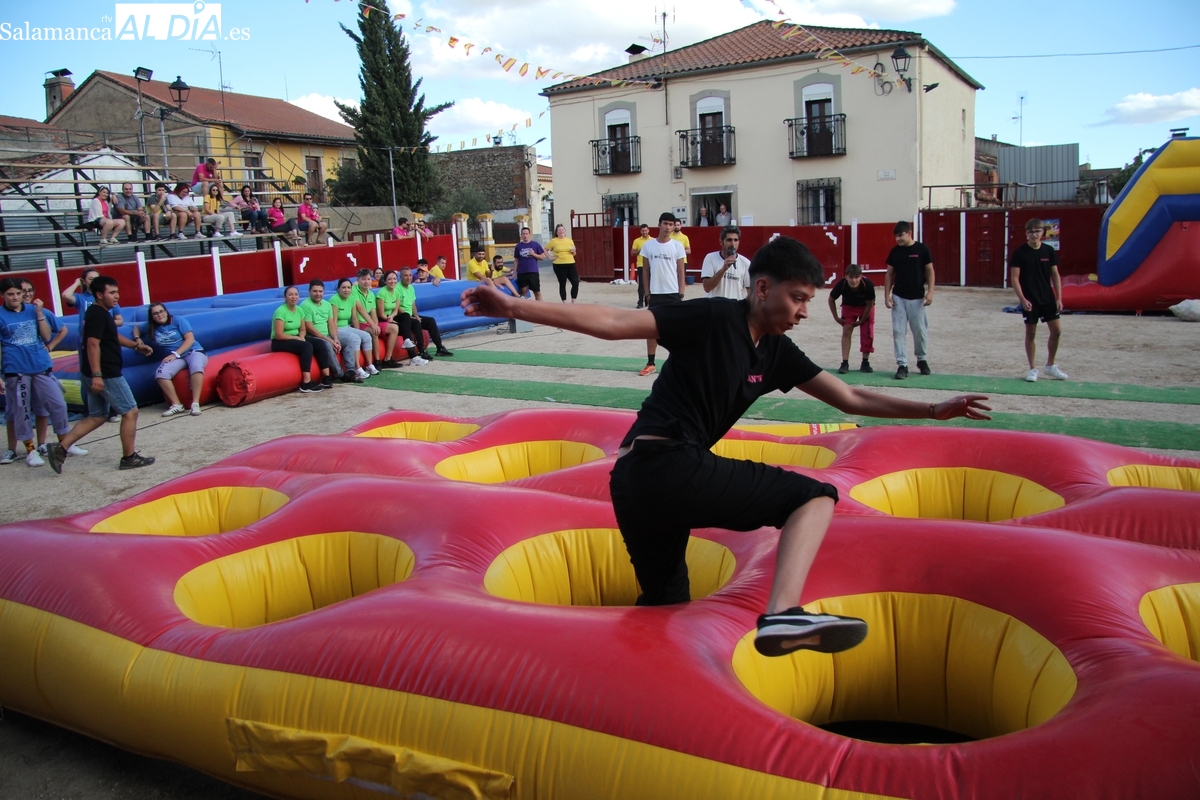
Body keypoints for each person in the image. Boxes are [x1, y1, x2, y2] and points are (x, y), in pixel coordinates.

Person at [461, 236, 991, 656]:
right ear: (762, 288)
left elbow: (850, 397)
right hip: (664, 464)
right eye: (797, 298)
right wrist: (513, 306)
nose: (804, 311)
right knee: (813, 498)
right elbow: (617, 321)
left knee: (665, 602)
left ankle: (643, 698)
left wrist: (932, 409)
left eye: (809, 300)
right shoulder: (714, 317)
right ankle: (783, 613)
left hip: (638, 483)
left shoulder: (777, 353)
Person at [46, 276, 156, 473]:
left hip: (96, 372)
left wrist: (135, 346)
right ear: (99, 294)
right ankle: (129, 457)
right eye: (112, 293)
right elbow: (92, 344)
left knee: (97, 416)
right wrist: (97, 375)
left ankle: (60, 448)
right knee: (130, 411)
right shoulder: (97, 314)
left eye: (117, 292)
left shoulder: (100, 313)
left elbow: (112, 335)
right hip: (106, 373)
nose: (117, 296)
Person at [0, 278, 86, 468]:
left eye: (18, 293)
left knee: (58, 404)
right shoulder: (1, 315)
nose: (15, 297)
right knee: (21, 410)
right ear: (3, 295)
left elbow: (47, 335)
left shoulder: (35, 310)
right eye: (10, 294)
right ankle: (30, 450)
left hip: (40, 366)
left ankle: (64, 441)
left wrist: (39, 314)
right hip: (16, 369)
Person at [62, 268, 123, 423]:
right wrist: (77, 283)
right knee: (89, 374)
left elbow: (120, 320)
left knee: (110, 375)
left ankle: (111, 411)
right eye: (90, 279)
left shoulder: (109, 299)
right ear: (84, 281)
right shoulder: (82, 299)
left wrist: (105, 323)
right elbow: (66, 296)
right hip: (87, 341)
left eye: (96, 278)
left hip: (105, 340)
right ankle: (92, 410)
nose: (94, 281)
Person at [1010, 218, 1068, 382]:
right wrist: (1022, 299)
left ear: (1042, 232)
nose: (1034, 235)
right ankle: (1033, 368)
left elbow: (1055, 275)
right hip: (1030, 299)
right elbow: (1014, 278)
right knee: (1031, 333)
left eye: (1037, 231)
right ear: (1026, 234)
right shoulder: (1020, 253)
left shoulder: (1048, 251)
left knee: (1057, 331)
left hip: (1047, 297)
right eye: (1030, 232)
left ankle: (1050, 365)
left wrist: (1059, 298)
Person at [133, 303, 207, 416]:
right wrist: (137, 339)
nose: (160, 315)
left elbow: (190, 339)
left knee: (196, 366)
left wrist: (175, 354)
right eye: (155, 313)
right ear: (152, 317)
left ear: (166, 312)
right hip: (176, 357)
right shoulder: (151, 326)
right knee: (160, 374)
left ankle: (195, 403)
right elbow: (136, 328)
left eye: (161, 311)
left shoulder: (178, 320)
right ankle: (177, 404)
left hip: (192, 351)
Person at [636, 212, 686, 376]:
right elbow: (645, 271)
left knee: (676, 330)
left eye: (671, 224)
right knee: (651, 329)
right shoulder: (648, 246)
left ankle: (678, 362)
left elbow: (681, 271)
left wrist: (681, 293)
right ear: (659, 225)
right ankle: (651, 363)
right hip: (655, 293)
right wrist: (647, 293)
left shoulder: (677, 246)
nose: (668, 227)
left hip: (673, 294)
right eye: (665, 223)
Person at [883, 220, 934, 380]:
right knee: (898, 331)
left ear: (909, 233)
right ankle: (902, 364)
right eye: (896, 236)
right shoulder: (895, 252)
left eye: (900, 235)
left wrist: (930, 292)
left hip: (917, 298)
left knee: (920, 331)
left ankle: (922, 359)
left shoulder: (922, 249)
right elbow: (889, 273)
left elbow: (929, 271)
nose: (898, 239)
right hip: (899, 297)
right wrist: (887, 295)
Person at [301, 279, 361, 385]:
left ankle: (351, 370)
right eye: (315, 291)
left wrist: (335, 338)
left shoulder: (327, 304)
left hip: (327, 334)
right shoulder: (305, 305)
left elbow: (331, 323)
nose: (318, 294)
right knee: (327, 345)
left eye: (320, 291)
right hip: (314, 337)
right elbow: (309, 327)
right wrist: (329, 340)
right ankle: (340, 374)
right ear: (309, 291)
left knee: (349, 340)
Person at [270, 286, 324, 393]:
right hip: (279, 341)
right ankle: (306, 382)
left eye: (296, 294)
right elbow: (279, 335)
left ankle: (326, 377)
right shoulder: (281, 311)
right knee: (307, 346)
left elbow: (303, 329)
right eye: (290, 294)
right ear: (285, 297)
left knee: (320, 343)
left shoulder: (299, 310)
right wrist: (296, 338)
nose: (293, 297)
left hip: (295, 337)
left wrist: (302, 337)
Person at [395, 267, 453, 363]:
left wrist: (416, 316)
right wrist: (410, 317)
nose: (408, 278)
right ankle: (421, 351)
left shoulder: (411, 288)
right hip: (403, 317)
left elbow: (413, 304)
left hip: (411, 315)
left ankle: (440, 347)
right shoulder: (397, 289)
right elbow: (396, 307)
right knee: (416, 322)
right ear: (400, 277)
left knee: (430, 321)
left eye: (410, 275)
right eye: (405, 276)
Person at [828, 264, 876, 374]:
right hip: (849, 307)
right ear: (846, 276)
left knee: (868, 333)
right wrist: (836, 317)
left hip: (865, 307)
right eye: (851, 277)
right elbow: (831, 299)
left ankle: (865, 361)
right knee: (846, 331)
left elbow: (870, 303)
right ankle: (845, 362)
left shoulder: (868, 285)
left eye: (856, 277)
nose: (854, 280)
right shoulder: (842, 284)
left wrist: (862, 320)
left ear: (861, 276)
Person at [328, 278, 377, 380]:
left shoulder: (352, 299)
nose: (346, 290)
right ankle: (357, 368)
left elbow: (354, 318)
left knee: (366, 336)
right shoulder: (334, 300)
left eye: (349, 288)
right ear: (338, 289)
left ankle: (369, 365)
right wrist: (335, 337)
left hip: (346, 327)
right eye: (343, 288)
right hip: (337, 328)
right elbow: (333, 321)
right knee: (355, 338)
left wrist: (358, 331)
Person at [700, 225, 751, 301]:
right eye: (729, 240)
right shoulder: (710, 258)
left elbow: (750, 291)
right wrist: (723, 269)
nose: (733, 244)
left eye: (736, 240)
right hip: (714, 306)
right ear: (721, 242)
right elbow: (707, 287)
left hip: (734, 307)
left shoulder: (745, 263)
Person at [351, 269, 388, 366]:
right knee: (374, 332)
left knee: (393, 328)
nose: (366, 281)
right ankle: (377, 361)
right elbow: (360, 309)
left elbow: (373, 312)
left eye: (368, 279)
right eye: (363, 279)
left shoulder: (371, 294)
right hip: (358, 323)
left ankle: (388, 359)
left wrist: (376, 325)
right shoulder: (353, 291)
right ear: (358, 280)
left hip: (368, 322)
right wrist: (373, 325)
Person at [372, 270, 407, 368]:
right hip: (382, 318)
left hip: (390, 316)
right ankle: (387, 359)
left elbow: (396, 310)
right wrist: (389, 319)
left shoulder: (397, 291)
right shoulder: (381, 293)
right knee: (396, 327)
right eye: (390, 279)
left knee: (407, 317)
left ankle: (412, 348)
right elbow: (380, 314)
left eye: (394, 279)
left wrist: (392, 316)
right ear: (385, 281)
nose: (393, 281)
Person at [546, 224, 580, 303]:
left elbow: (574, 254)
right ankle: (564, 302)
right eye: (559, 230)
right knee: (562, 283)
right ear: (557, 232)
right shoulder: (553, 241)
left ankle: (573, 302)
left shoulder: (569, 240)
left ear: (565, 231)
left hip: (571, 263)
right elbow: (545, 250)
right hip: (559, 264)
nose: (561, 231)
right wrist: (550, 257)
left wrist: (574, 251)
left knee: (575, 282)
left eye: (562, 230)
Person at [514, 227, 550, 301]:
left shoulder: (535, 244)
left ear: (529, 234)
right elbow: (516, 260)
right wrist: (514, 272)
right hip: (522, 272)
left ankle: (540, 306)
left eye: (526, 234)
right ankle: (525, 306)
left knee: (536, 291)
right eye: (523, 234)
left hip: (533, 271)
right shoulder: (518, 246)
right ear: (521, 235)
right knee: (523, 291)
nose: (525, 235)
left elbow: (542, 257)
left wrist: (534, 254)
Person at [631, 223, 652, 309]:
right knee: (642, 284)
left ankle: (648, 301)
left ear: (648, 230)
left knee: (651, 283)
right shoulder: (637, 241)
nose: (644, 232)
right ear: (640, 231)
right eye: (643, 231)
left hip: (651, 265)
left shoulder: (653, 240)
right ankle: (640, 302)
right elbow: (632, 253)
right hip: (641, 265)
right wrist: (640, 251)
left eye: (645, 230)